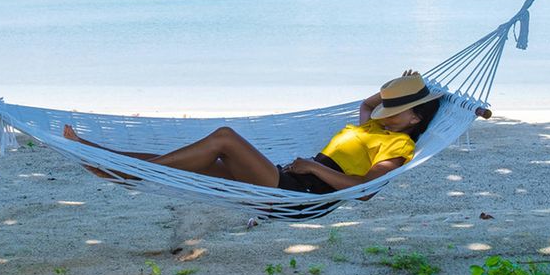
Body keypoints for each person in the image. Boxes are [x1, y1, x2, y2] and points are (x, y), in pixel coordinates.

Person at [61, 71, 443, 197]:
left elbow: (363, 190)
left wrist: (313, 168)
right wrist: (401, 85)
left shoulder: (400, 144)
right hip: (289, 176)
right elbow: (366, 103)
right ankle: (101, 155)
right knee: (191, 164)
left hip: (302, 192)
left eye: (396, 110)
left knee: (224, 138)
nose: (385, 113)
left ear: (414, 119)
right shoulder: (373, 124)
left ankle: (125, 172)